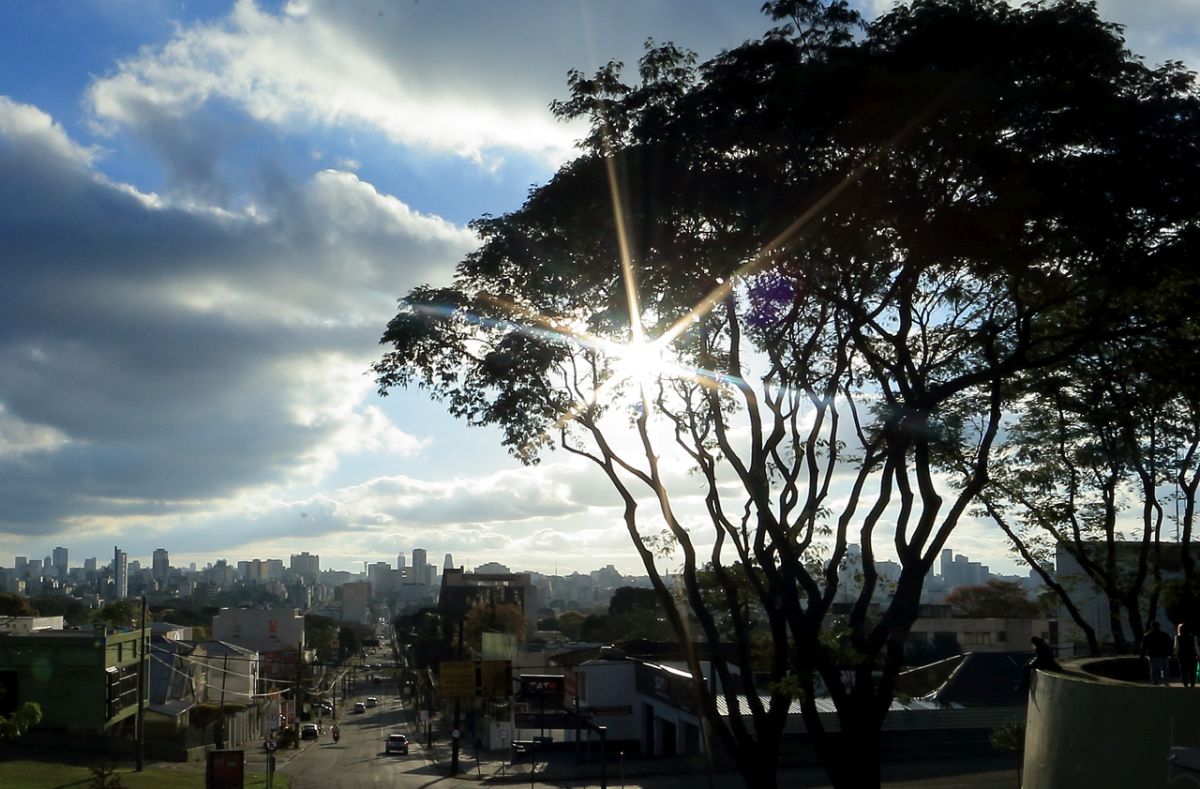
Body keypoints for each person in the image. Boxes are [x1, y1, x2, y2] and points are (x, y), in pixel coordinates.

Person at [1141, 621, 1174, 685]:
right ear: (1159, 626)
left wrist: (1142, 655)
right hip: (1164, 655)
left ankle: (1155, 682)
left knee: (1154, 669)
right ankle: (1165, 681)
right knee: (1164, 669)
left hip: (1153, 655)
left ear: (1152, 627)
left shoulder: (1148, 635)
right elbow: (1170, 644)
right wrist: (1171, 653)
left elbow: (1144, 646)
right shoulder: (1165, 635)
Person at [1177, 623, 1198, 688]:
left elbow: (1176, 647)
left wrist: (1174, 654)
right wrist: (1198, 654)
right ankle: (1192, 683)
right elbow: (1196, 647)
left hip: (1182, 656)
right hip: (1192, 656)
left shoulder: (1177, 637)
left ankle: (1185, 683)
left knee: (1184, 670)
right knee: (1192, 670)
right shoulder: (1193, 637)